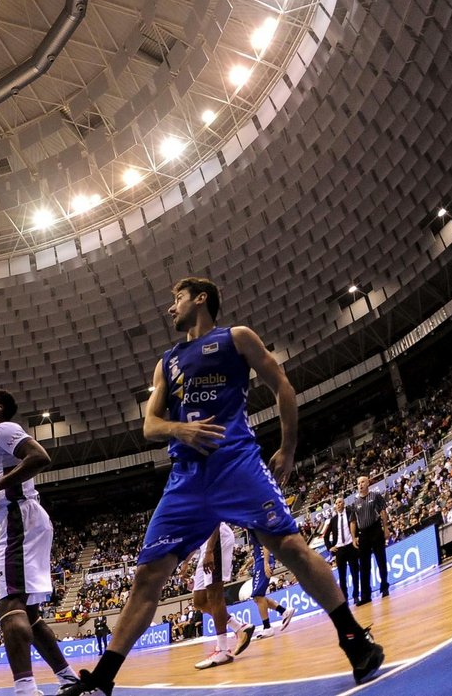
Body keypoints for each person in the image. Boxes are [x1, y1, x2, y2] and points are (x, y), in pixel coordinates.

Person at [62, 277, 385, 695]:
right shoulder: (167, 361)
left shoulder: (237, 338)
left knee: (291, 548)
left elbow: (282, 386)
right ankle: (102, 680)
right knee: (147, 577)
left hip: (237, 465)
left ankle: (354, 639)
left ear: (201, 299)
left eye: (175, 298)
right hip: (187, 481)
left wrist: (287, 448)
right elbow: (150, 425)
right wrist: (182, 429)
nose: (169, 308)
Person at [0, 390, 80, 696]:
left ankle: (25, 689)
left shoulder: (2, 428)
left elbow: (40, 457)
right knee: (30, 613)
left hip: (18, 520)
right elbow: (11, 476)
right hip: (21, 519)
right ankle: (69, 679)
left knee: (9, 605)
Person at [188, 524, 247, 669]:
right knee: (199, 601)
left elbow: (214, 515)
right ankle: (239, 627)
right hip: (204, 543)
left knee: (214, 594)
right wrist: (185, 562)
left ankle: (223, 650)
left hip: (216, 538)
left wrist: (209, 550)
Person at [240, 530, 293, 647]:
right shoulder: (249, 530)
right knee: (258, 597)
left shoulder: (253, 525)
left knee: (258, 596)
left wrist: (265, 563)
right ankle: (284, 611)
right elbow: (257, 552)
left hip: (263, 562)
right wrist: (246, 565)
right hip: (260, 561)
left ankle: (267, 627)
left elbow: (266, 544)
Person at [352, 475, 388, 604]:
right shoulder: (355, 502)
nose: (360, 485)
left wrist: (386, 528)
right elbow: (353, 521)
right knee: (364, 566)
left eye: (362, 482)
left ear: (368, 483)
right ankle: (366, 596)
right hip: (363, 534)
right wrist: (354, 536)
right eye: (358, 483)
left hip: (376, 529)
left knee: (381, 559)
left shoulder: (376, 495)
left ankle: (384, 586)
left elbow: (383, 511)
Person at [322, 500, 360, 600]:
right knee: (342, 575)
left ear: (344, 504)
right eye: (336, 503)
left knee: (355, 572)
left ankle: (356, 595)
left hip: (350, 546)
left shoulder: (350, 514)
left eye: (340, 503)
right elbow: (325, 536)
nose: (338, 505)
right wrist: (330, 547)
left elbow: (357, 526)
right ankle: (345, 597)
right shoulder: (333, 520)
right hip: (339, 550)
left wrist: (356, 537)